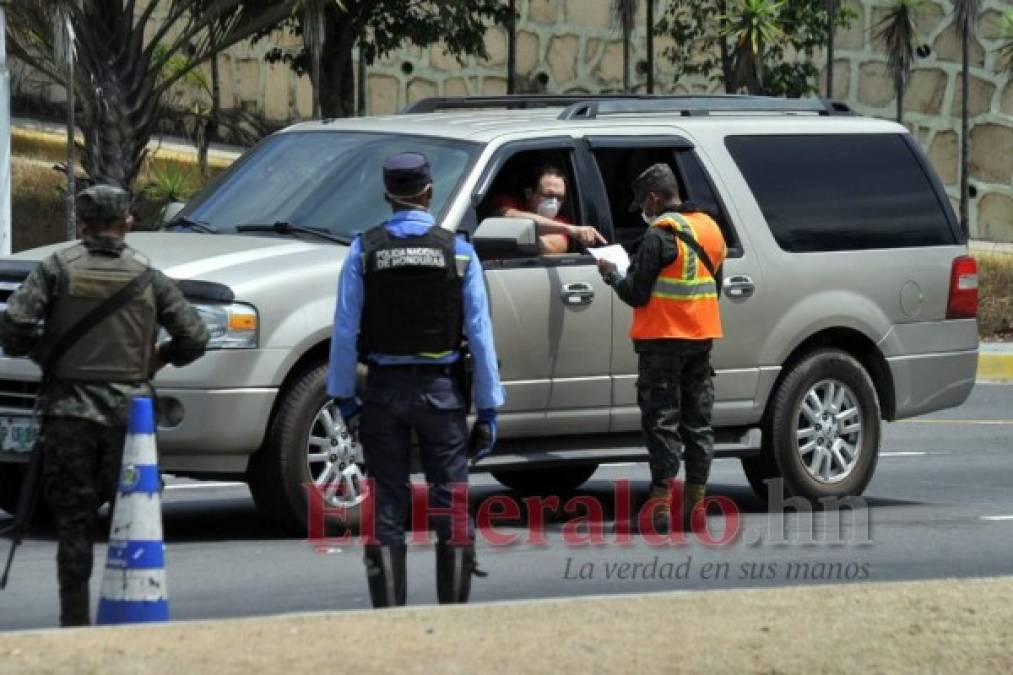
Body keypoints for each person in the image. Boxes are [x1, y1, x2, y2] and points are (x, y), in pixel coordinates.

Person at [0, 185, 210, 626]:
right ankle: (131, 618)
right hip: (129, 423)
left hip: (68, 415)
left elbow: (14, 325)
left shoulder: (57, 269)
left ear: (82, 223)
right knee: (132, 522)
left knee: (73, 527)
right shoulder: (147, 276)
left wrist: (47, 355)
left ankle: (74, 627)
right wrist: (159, 358)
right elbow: (194, 336)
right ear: (127, 222)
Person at [327, 152, 504, 608]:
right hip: (441, 395)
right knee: (451, 503)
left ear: (388, 196)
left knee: (387, 502)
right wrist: (487, 409)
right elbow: (481, 336)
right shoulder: (458, 251)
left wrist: (343, 398)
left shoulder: (362, 251)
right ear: (429, 192)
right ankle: (452, 616)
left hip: (383, 393)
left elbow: (345, 330)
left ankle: (389, 620)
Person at [596, 164, 727, 533]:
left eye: (644, 202)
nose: (643, 209)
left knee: (662, 421)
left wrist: (611, 274)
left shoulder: (659, 235)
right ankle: (695, 507)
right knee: (698, 424)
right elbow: (714, 287)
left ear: (654, 199)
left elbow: (636, 292)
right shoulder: (710, 229)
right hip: (701, 340)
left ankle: (659, 507)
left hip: (662, 344)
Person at [491, 164, 606, 254]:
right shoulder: (507, 202)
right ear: (529, 193)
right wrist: (569, 229)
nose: (554, 202)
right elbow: (507, 216)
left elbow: (551, 245)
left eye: (559, 197)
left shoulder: (561, 223)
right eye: (548, 195)